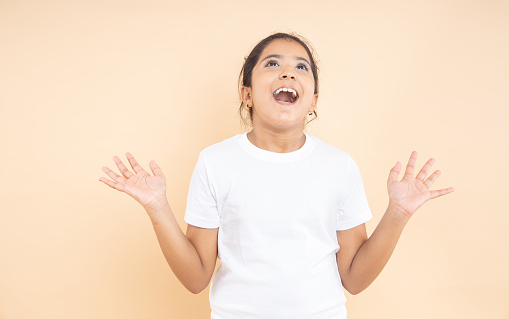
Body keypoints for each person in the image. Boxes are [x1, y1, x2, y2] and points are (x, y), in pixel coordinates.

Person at [99, 32, 454, 318]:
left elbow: (354, 279)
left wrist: (398, 214)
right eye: (273, 64)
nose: (288, 73)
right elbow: (196, 278)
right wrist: (157, 207)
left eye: (301, 67)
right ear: (247, 94)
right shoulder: (216, 162)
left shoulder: (338, 166)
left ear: (313, 99)